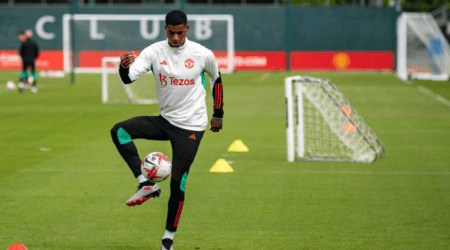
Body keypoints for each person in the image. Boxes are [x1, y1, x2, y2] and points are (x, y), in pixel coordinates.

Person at [110, 10, 224, 250]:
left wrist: (218, 113)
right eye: (171, 32)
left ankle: (167, 240)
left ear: (187, 29)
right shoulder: (154, 52)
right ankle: (145, 184)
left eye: (179, 33)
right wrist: (123, 66)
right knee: (119, 131)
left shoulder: (202, 54)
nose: (175, 37)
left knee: (177, 184)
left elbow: (217, 79)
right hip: (165, 120)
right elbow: (129, 78)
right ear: (165, 30)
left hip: (191, 126)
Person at [18, 29, 39, 93]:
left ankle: (21, 84)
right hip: (32, 60)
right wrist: (33, 58)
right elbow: (37, 52)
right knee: (33, 73)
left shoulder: (23, 43)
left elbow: (20, 52)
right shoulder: (34, 43)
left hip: (25, 60)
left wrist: (23, 58)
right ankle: (34, 87)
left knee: (24, 72)